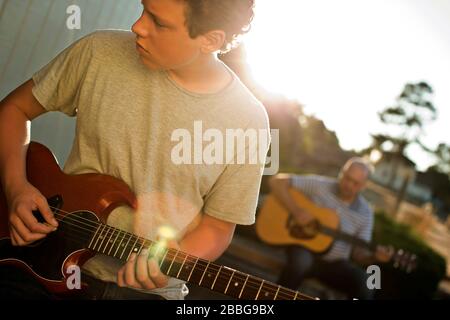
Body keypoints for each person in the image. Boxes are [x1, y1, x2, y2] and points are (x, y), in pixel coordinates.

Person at [0, 0, 269, 300]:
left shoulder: (249, 122)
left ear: (211, 39)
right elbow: (14, 109)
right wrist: (16, 188)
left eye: (159, 22)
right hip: (35, 263)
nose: (137, 26)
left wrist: (173, 258)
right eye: (143, 8)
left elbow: (218, 227)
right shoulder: (98, 50)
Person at [269, 158, 393, 300]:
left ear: (364, 186)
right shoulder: (320, 185)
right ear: (341, 173)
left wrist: (374, 257)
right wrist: (296, 211)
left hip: (334, 266)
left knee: (366, 282)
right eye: (347, 178)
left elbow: (359, 255)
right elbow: (277, 182)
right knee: (301, 262)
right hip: (304, 251)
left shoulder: (366, 213)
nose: (349, 185)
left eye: (356, 183)